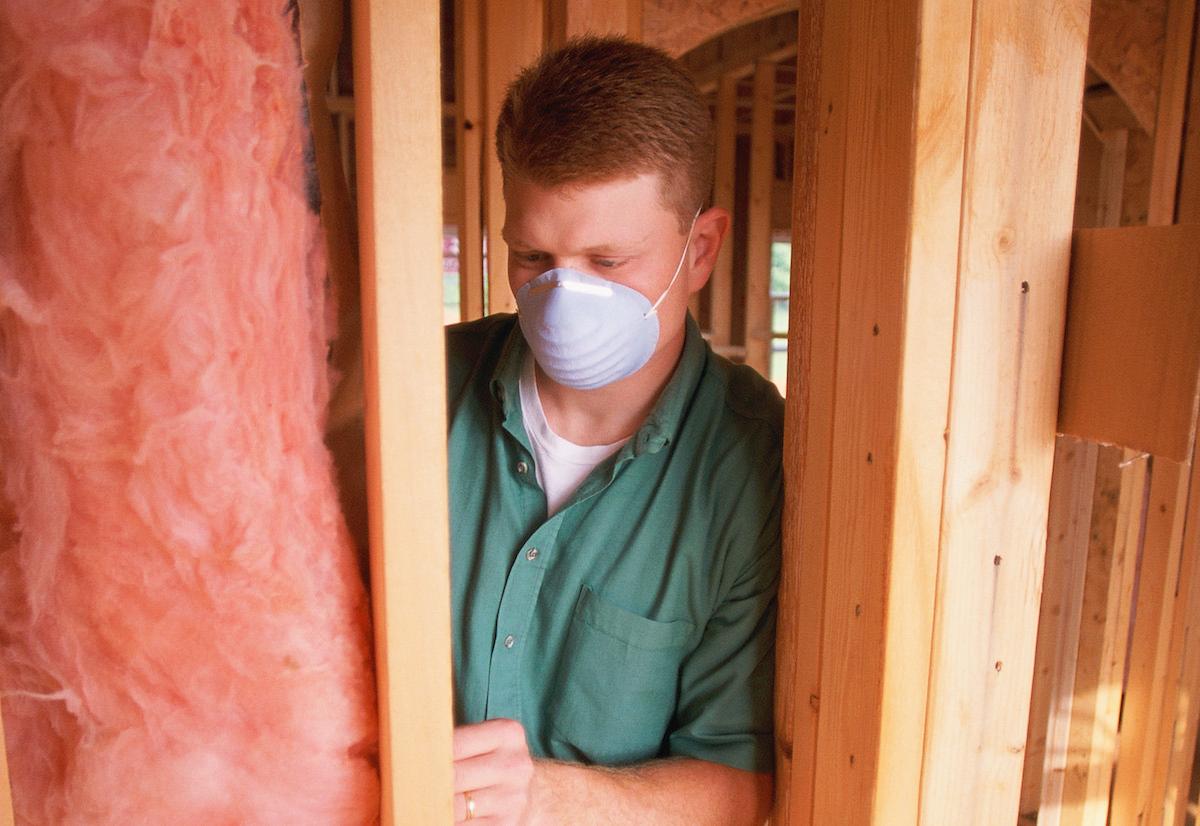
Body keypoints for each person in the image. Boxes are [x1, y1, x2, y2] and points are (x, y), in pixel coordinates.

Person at [445, 35, 782, 825]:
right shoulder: (418, 389)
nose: (564, 300)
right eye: (534, 257)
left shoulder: (754, 462)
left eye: (609, 260)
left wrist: (544, 797)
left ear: (698, 249)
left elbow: (740, 783)